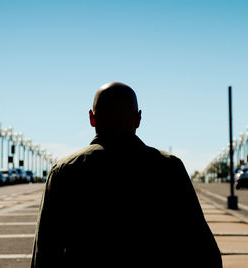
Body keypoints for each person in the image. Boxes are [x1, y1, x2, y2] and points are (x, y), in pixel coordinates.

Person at [31, 82, 222, 267]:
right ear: (138, 119)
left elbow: (46, 252)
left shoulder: (65, 171)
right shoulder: (169, 168)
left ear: (92, 118)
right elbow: (202, 248)